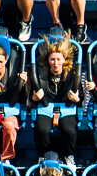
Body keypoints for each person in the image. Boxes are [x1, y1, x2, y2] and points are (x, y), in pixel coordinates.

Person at [31, 33, 80, 166]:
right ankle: (43, 155)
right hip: (46, 107)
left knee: (69, 130)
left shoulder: (72, 74)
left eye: (58, 59)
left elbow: (80, 99)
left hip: (66, 107)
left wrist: (77, 99)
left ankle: (69, 155)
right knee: (41, 129)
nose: (55, 63)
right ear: (48, 60)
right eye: (52, 60)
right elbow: (29, 99)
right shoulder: (41, 75)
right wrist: (34, 98)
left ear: (64, 60)